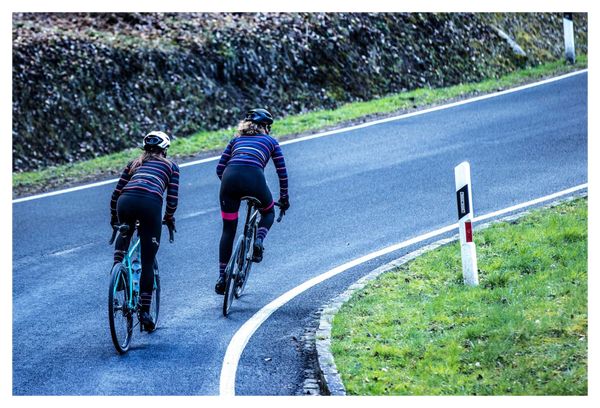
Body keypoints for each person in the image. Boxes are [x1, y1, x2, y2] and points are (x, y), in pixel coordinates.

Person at [215, 108, 290, 295]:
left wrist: (231, 185)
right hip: (254, 180)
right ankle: (258, 240)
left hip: (229, 180)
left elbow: (219, 169)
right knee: (268, 211)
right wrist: (284, 198)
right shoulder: (271, 141)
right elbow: (282, 172)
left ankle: (222, 277)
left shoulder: (235, 140)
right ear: (265, 127)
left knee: (228, 229)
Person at [109, 131, 179, 331]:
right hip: (150, 204)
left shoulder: (133, 164)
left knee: (125, 231)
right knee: (148, 261)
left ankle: (117, 271)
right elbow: (172, 200)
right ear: (164, 150)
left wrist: (115, 219)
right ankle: (145, 312)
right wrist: (168, 218)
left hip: (126, 201)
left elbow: (116, 194)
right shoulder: (171, 166)